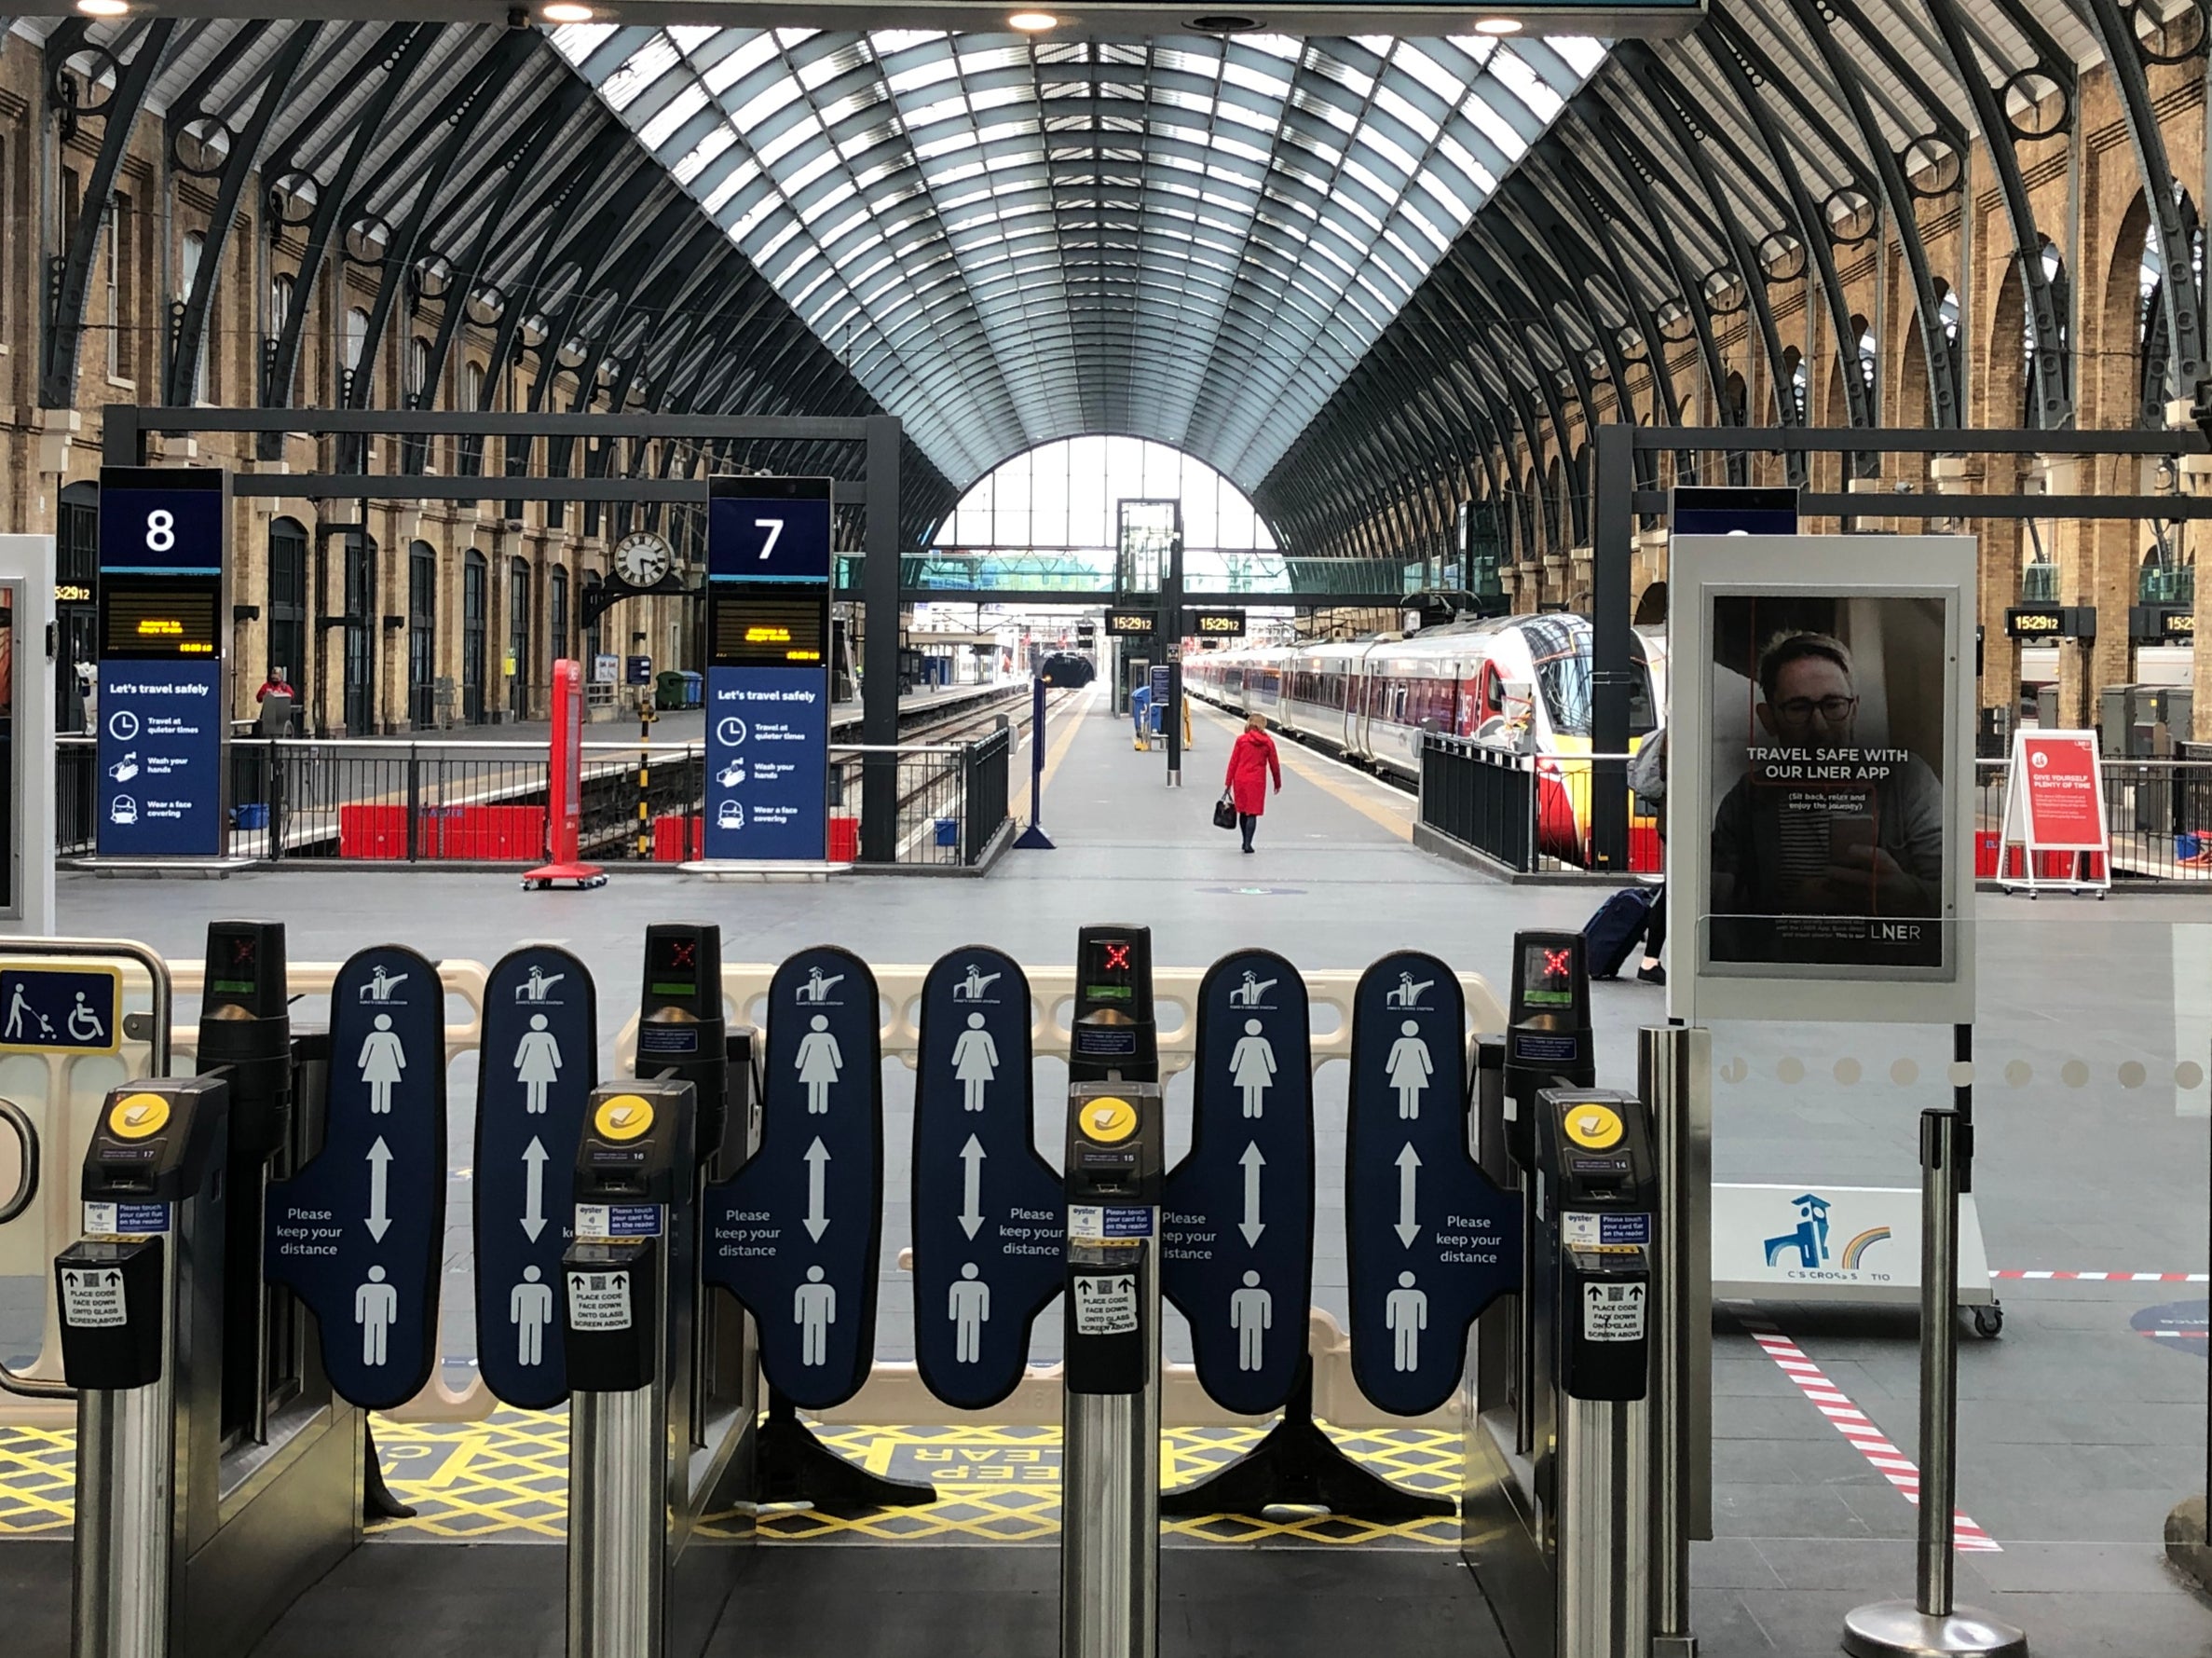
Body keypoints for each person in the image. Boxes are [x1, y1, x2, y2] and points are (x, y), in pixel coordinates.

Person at [1709, 632, 1945, 957]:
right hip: (1781, 977)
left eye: (1833, 705)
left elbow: (1951, 893)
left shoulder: (1906, 780)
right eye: (1798, 707)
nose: (1819, 726)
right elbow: (1716, 910)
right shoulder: (1746, 800)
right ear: (1769, 719)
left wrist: (1906, 895)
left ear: (1855, 709)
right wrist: (1792, 911)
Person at [1222, 711, 1283, 854]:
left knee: (1243, 811)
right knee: (1252, 813)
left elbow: (1233, 762)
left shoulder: (1241, 740)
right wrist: (1277, 783)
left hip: (1240, 780)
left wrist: (1228, 783)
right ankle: (1248, 843)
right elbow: (1275, 764)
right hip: (1257, 781)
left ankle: (1244, 841)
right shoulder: (1268, 743)